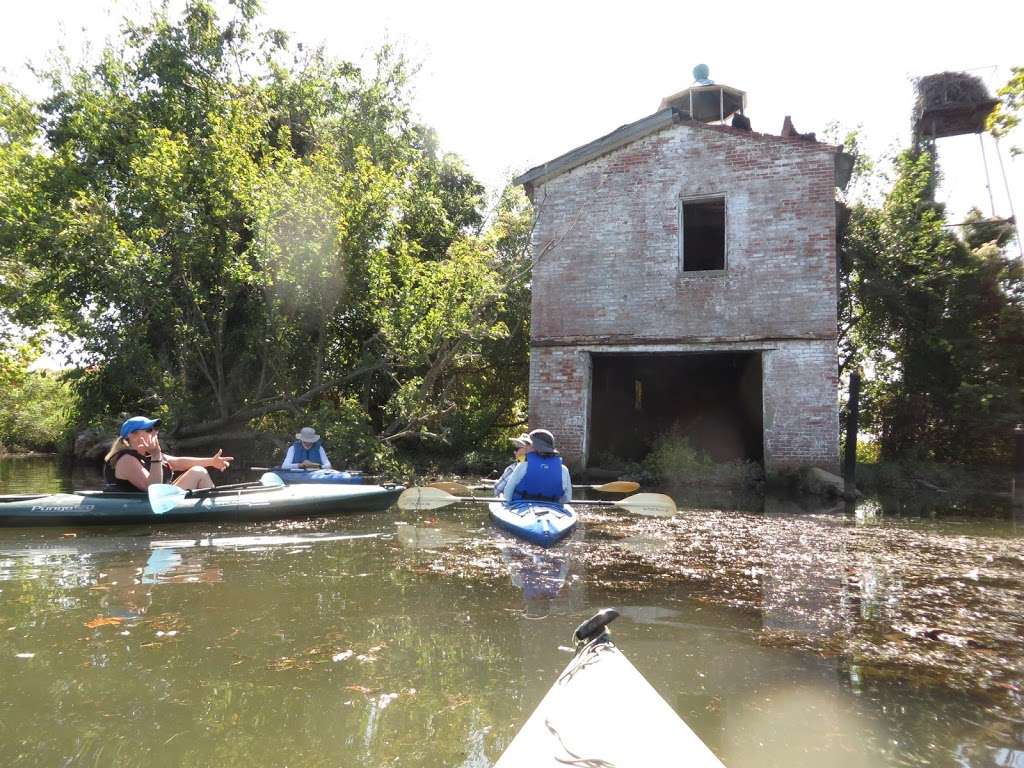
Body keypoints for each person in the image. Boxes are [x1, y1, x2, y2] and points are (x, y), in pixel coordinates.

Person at [102, 416, 234, 492]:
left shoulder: (147, 455)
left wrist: (211, 462)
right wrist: (155, 454)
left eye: (155, 429)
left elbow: (178, 462)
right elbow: (152, 489)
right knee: (198, 472)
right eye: (149, 430)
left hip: (158, 503)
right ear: (133, 436)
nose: (155, 432)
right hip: (145, 506)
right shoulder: (126, 460)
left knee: (198, 470)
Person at [501, 429, 572, 504]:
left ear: (534, 447)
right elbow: (567, 498)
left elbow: (507, 495)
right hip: (552, 508)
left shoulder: (523, 465)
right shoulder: (563, 469)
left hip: (521, 507)